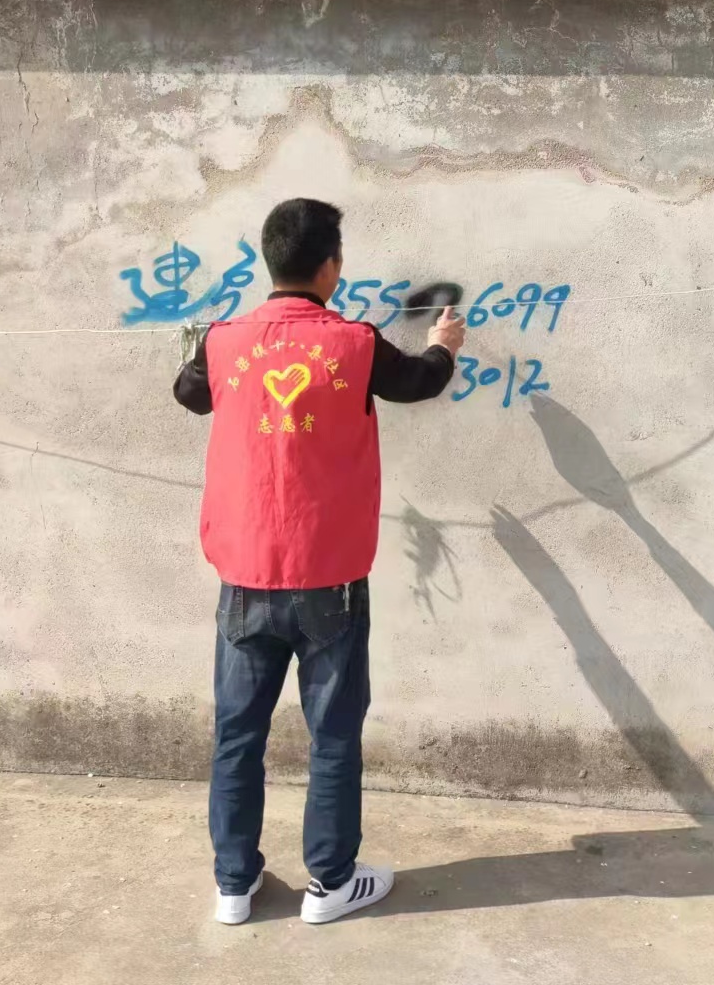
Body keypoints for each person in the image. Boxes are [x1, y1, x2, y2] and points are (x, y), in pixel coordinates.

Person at [173, 198, 465, 926]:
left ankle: (234, 885)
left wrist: (200, 347)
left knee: (237, 735)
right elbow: (420, 382)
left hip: (245, 576)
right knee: (332, 737)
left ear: (269, 261)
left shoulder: (226, 341)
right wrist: (444, 344)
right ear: (331, 267)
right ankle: (330, 882)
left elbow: (188, 394)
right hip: (328, 576)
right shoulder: (355, 344)